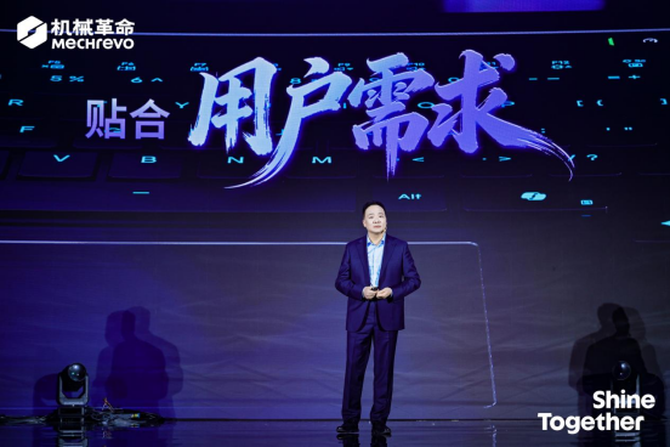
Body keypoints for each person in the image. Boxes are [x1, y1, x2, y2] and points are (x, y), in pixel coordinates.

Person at [335, 201, 421, 437]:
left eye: (380, 215)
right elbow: (341, 281)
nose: (376, 219)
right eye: (371, 216)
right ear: (364, 222)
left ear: (386, 221)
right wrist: (360, 291)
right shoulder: (352, 248)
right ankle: (350, 422)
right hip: (359, 315)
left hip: (387, 314)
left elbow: (414, 280)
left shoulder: (400, 247)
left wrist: (392, 291)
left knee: (384, 372)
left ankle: (379, 423)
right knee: (353, 371)